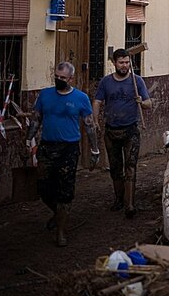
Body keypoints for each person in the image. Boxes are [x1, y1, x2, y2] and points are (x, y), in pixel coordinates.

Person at [26, 62, 98, 247]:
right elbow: (36, 118)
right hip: (47, 147)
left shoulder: (81, 98)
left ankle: (60, 231)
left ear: (71, 79)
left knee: (65, 191)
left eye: (63, 78)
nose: (59, 80)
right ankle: (59, 214)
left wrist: (94, 149)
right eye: (56, 77)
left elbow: (89, 125)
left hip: (69, 149)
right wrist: (28, 139)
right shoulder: (45, 95)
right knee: (43, 187)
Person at [93, 49, 151, 218]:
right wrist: (95, 120)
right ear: (114, 63)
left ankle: (130, 204)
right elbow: (97, 101)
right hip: (111, 131)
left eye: (127, 62)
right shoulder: (106, 82)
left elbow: (148, 103)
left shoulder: (137, 81)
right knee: (115, 168)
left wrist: (142, 101)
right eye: (121, 63)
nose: (125, 66)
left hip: (131, 130)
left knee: (131, 166)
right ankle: (118, 199)